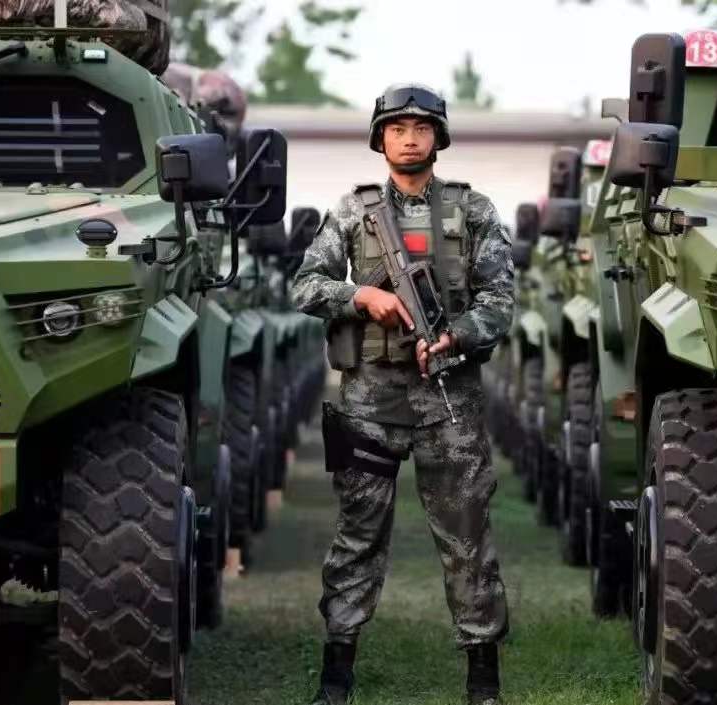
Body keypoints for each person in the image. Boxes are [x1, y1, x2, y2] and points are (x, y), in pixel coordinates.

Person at [290, 83, 514, 705]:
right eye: (396, 128)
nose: (409, 138)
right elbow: (305, 285)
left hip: (450, 402)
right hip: (368, 402)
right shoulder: (350, 211)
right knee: (357, 536)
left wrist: (456, 335)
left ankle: (483, 682)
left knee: (467, 538)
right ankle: (336, 675)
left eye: (421, 128)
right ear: (380, 139)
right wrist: (361, 296)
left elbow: (500, 301)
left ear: (438, 138)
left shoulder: (474, 211)